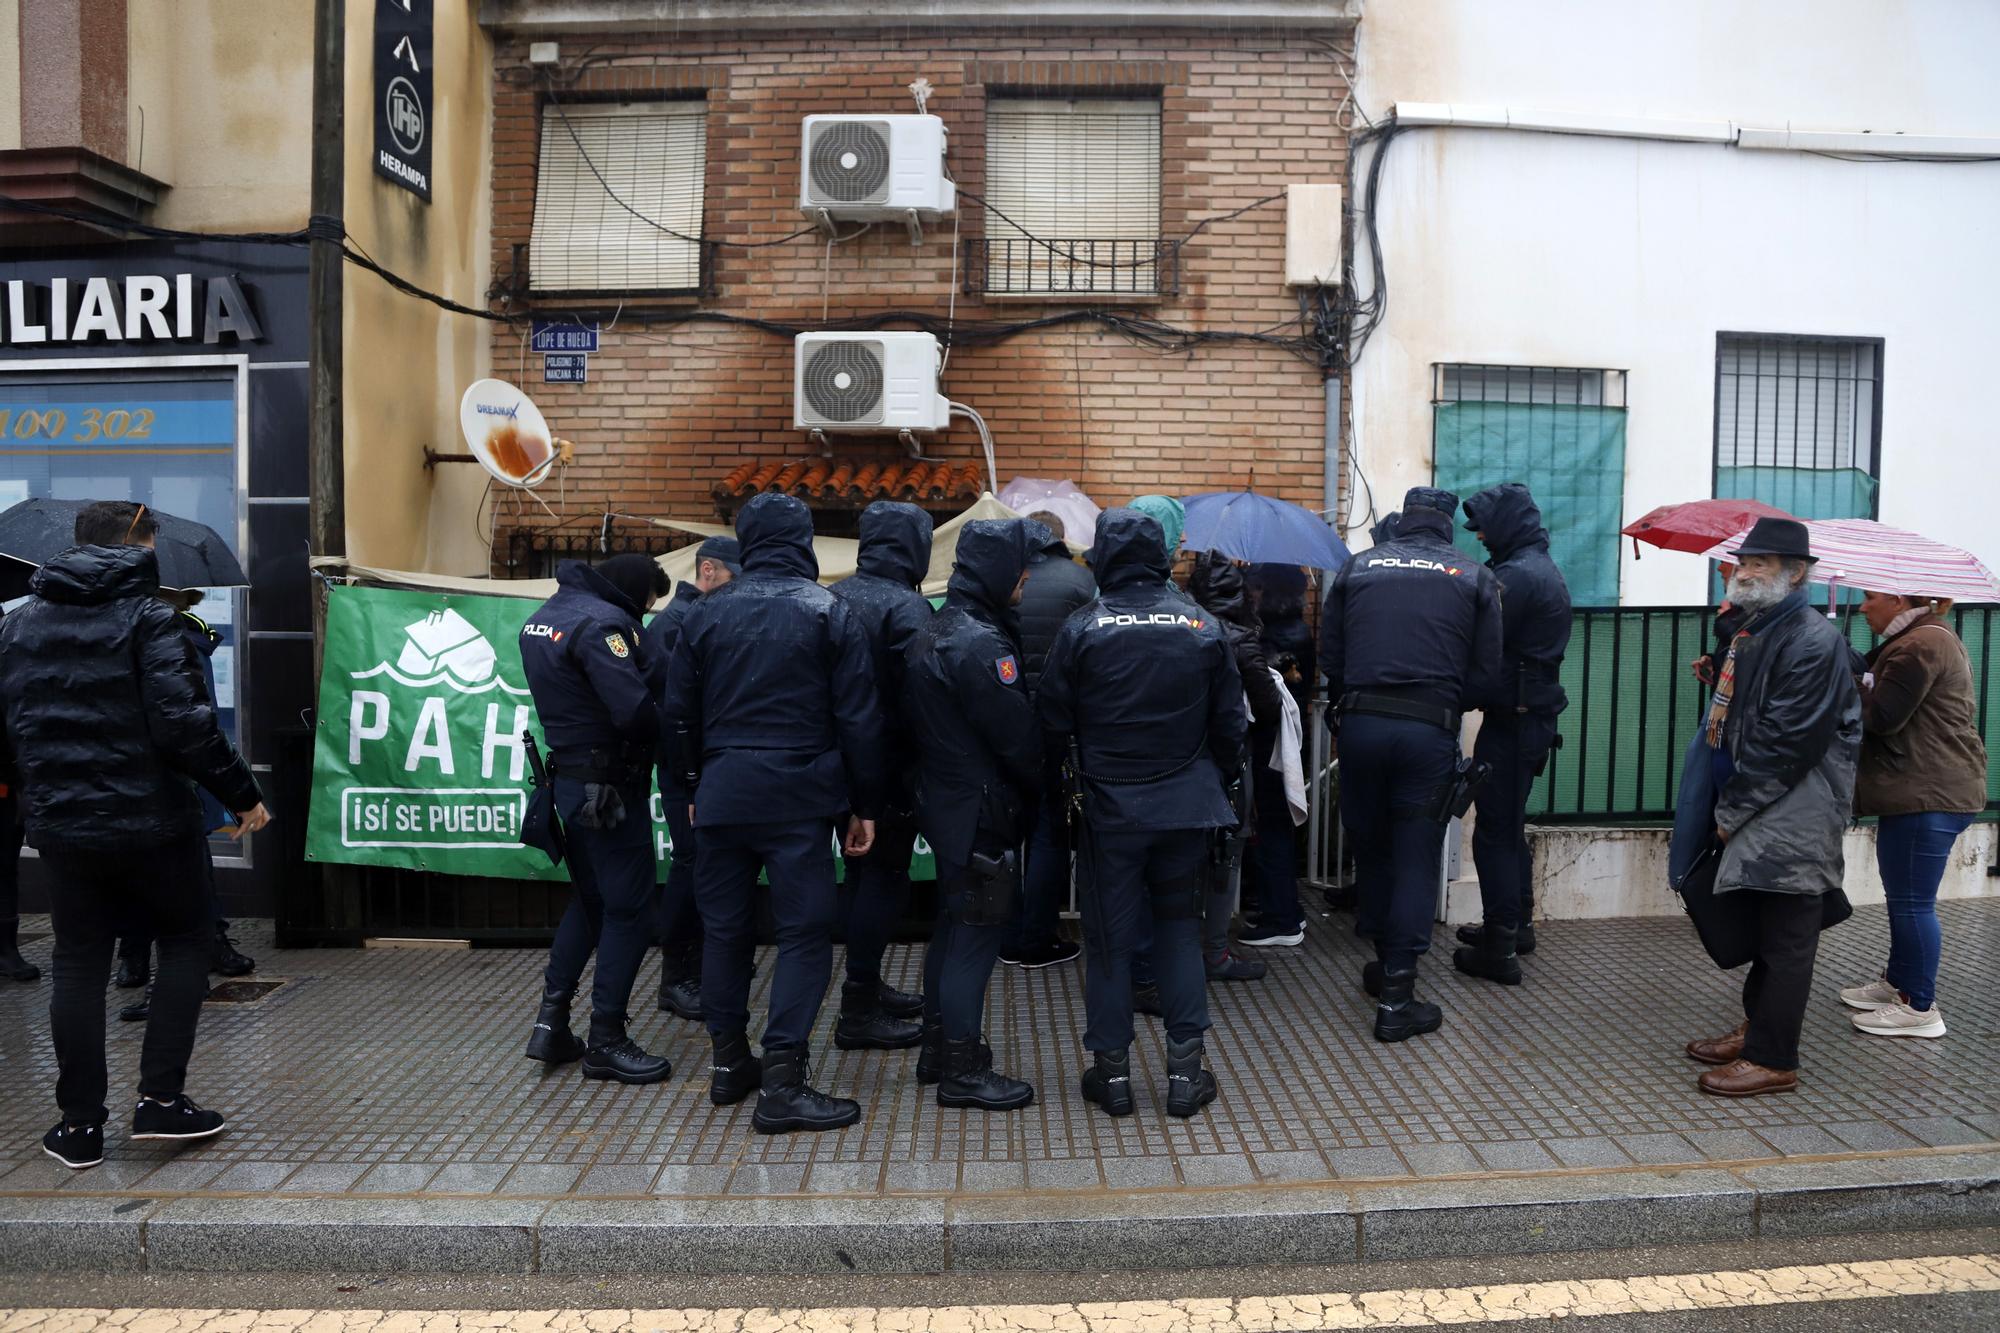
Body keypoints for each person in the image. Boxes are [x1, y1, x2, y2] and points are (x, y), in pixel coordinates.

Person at [0, 501, 270, 1170]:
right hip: (153, 824)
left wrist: (35, 797)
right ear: (139, 546)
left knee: (77, 960)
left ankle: (78, 1125)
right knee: (185, 941)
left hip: (63, 827)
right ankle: (160, 1101)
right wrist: (243, 795)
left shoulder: (19, 625)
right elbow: (185, 726)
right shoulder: (152, 620)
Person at [663, 493, 885, 1134]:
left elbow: (678, 715)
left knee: (725, 932)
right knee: (804, 936)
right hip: (801, 797)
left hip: (724, 792)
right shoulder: (827, 611)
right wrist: (862, 806)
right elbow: (859, 719)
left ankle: (731, 1065)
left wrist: (692, 785)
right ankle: (784, 1081)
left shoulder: (704, 616)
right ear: (804, 539)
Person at [1039, 508, 1246, 1120]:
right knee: (1179, 930)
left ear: (1102, 556)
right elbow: (1231, 724)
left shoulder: (1083, 627)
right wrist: (1220, 777)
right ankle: (1185, 1077)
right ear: (1161, 557)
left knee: (1109, 943)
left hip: (1109, 811)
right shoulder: (1202, 625)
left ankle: (1114, 1077)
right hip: (1187, 807)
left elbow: (1052, 718)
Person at [1681, 518, 1861, 1097]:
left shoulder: (1810, 637)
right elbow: (1750, 713)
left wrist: (1732, 811)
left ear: (1796, 573)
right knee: (1765, 928)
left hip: (1793, 809)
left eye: (1762, 564)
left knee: (1786, 937)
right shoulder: (1761, 628)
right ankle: (1757, 1029)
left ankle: (1773, 1058)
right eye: (1745, 562)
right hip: (1769, 805)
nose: (1747, 572)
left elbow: (1788, 740)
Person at [1321, 487, 1503, 1042]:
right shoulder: (1475, 577)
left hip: (1361, 726)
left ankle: (1381, 964)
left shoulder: (1358, 567)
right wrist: (1444, 700)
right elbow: (1486, 675)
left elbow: (1330, 655)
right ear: (1446, 525)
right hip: (1427, 731)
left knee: (1373, 847)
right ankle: (1398, 995)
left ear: (1405, 520)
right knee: (1416, 855)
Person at [518, 553, 672, 1084]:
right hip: (608, 790)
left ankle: (550, 1024)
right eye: (649, 604)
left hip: (569, 783)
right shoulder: (604, 624)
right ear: (633, 591)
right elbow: (632, 710)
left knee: (590, 902)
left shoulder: (549, 614)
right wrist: (673, 724)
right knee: (628, 909)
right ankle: (607, 1038)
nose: (649, 613)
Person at [905, 519, 1042, 1109]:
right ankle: (962, 1068)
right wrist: (1042, 793)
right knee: (975, 937)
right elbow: (1016, 738)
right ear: (996, 571)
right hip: (980, 807)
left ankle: (939, 1049)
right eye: (1019, 567)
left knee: (953, 927)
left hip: (944, 803)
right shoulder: (977, 643)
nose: (1026, 578)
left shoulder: (935, 627)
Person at [1839, 589, 1988, 1040]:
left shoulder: (1922, 644)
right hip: (1926, 789)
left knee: (1912, 903)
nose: (1863, 607)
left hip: (1927, 793)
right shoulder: (1924, 638)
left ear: (1901, 601)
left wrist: (1846, 681)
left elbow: (1883, 717)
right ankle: (1898, 984)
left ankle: (1920, 1007)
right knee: (1904, 898)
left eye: (1870, 598)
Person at [115, 589, 257, 1025]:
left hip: (163, 780)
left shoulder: (182, 634)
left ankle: (187, 949)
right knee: (152, 872)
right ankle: (142, 952)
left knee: (181, 867)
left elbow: (201, 719)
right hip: (142, 781)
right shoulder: (140, 634)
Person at [1453, 483, 1572, 983]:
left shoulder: (1518, 576)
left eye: (1482, 524)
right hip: (1529, 719)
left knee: (1495, 832)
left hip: (1514, 721)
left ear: (1505, 524)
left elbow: (1481, 644)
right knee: (1510, 826)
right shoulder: (1535, 568)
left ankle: (1500, 947)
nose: (1477, 534)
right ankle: (1516, 926)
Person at [828, 501, 935, 1052]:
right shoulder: (907, 608)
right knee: (885, 879)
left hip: (831, 766)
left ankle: (864, 986)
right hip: (891, 768)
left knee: (858, 876)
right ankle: (859, 1004)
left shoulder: (830, 597)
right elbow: (924, 698)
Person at [643, 536, 739, 1022]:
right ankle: (678, 977)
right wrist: (691, 778)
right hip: (687, 769)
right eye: (732, 577)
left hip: (700, 767)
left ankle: (692, 971)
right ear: (708, 570)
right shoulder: (676, 625)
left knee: (701, 865)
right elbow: (674, 711)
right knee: (691, 865)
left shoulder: (690, 619)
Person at [1000, 513, 1094, 970]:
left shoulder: (1005, 577)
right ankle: (1036, 936)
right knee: (1050, 834)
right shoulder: (1079, 581)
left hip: (1007, 716)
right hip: (1058, 723)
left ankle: (1003, 929)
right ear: (1061, 539)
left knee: (1005, 830)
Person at [1186, 553, 1283, 975]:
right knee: (1226, 852)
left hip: (1179, 757)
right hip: (1229, 760)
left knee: (1181, 853)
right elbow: (1268, 703)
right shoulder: (1242, 638)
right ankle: (1215, 952)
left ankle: (1177, 946)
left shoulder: (1182, 628)